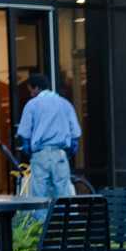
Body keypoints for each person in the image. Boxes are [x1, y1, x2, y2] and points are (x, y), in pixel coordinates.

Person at [14, 72, 81, 223]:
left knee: (39, 195)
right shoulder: (64, 103)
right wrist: (71, 148)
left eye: (31, 90)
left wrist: (27, 147)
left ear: (36, 88)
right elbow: (75, 132)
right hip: (60, 154)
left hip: (41, 154)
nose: (31, 94)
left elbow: (24, 132)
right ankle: (67, 227)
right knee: (63, 192)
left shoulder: (32, 104)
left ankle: (40, 229)